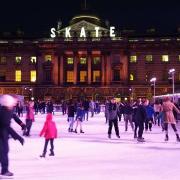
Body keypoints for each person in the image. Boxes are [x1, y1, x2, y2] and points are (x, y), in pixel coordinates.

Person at [0, 95, 24, 177]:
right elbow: (6, 126)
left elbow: (14, 117)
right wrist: (18, 137)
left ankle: (4, 170)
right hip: (2, 135)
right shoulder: (3, 111)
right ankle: (4, 170)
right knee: (3, 152)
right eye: (12, 103)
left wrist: (21, 124)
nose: (14, 104)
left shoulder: (8, 110)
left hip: (4, 135)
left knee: (4, 152)